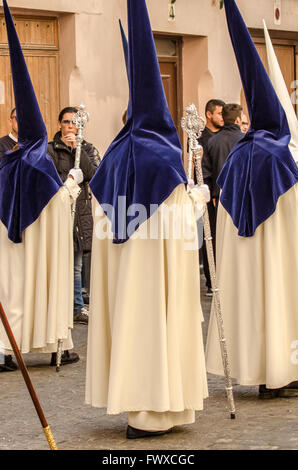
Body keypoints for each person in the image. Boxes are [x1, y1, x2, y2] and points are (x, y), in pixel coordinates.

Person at [86, 0, 209, 439]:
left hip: (125, 267)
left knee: (133, 323)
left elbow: (105, 214)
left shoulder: (115, 154)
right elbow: (177, 221)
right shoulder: (162, 157)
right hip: (156, 268)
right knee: (158, 325)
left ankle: (140, 405)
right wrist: (198, 195)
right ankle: (155, 410)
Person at [206, 0, 298, 398]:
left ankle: (262, 371)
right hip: (279, 246)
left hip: (247, 248)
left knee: (258, 303)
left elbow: (226, 206)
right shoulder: (281, 156)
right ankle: (283, 371)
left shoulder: (241, 152)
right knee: (280, 297)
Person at [0, 0, 82, 371]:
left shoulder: (10, 160)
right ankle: (56, 342)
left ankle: (6, 348)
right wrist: (72, 186)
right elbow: (54, 201)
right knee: (47, 286)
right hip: (40, 243)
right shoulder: (40, 160)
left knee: (13, 292)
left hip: (11, 243)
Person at [47, 107, 98, 325]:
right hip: (58, 210)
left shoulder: (87, 148)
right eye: (66, 122)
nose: (70, 126)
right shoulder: (50, 149)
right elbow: (48, 177)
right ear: (59, 124)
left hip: (81, 211)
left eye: (74, 122)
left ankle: (77, 307)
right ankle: (57, 306)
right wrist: (68, 177)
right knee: (58, 263)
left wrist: (78, 151)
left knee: (76, 265)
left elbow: (95, 175)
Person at [197, 99, 225, 296]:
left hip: (225, 193)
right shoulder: (201, 138)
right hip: (210, 195)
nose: (222, 118)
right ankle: (210, 279)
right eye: (219, 114)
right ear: (209, 114)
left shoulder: (224, 136)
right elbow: (201, 169)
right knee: (210, 236)